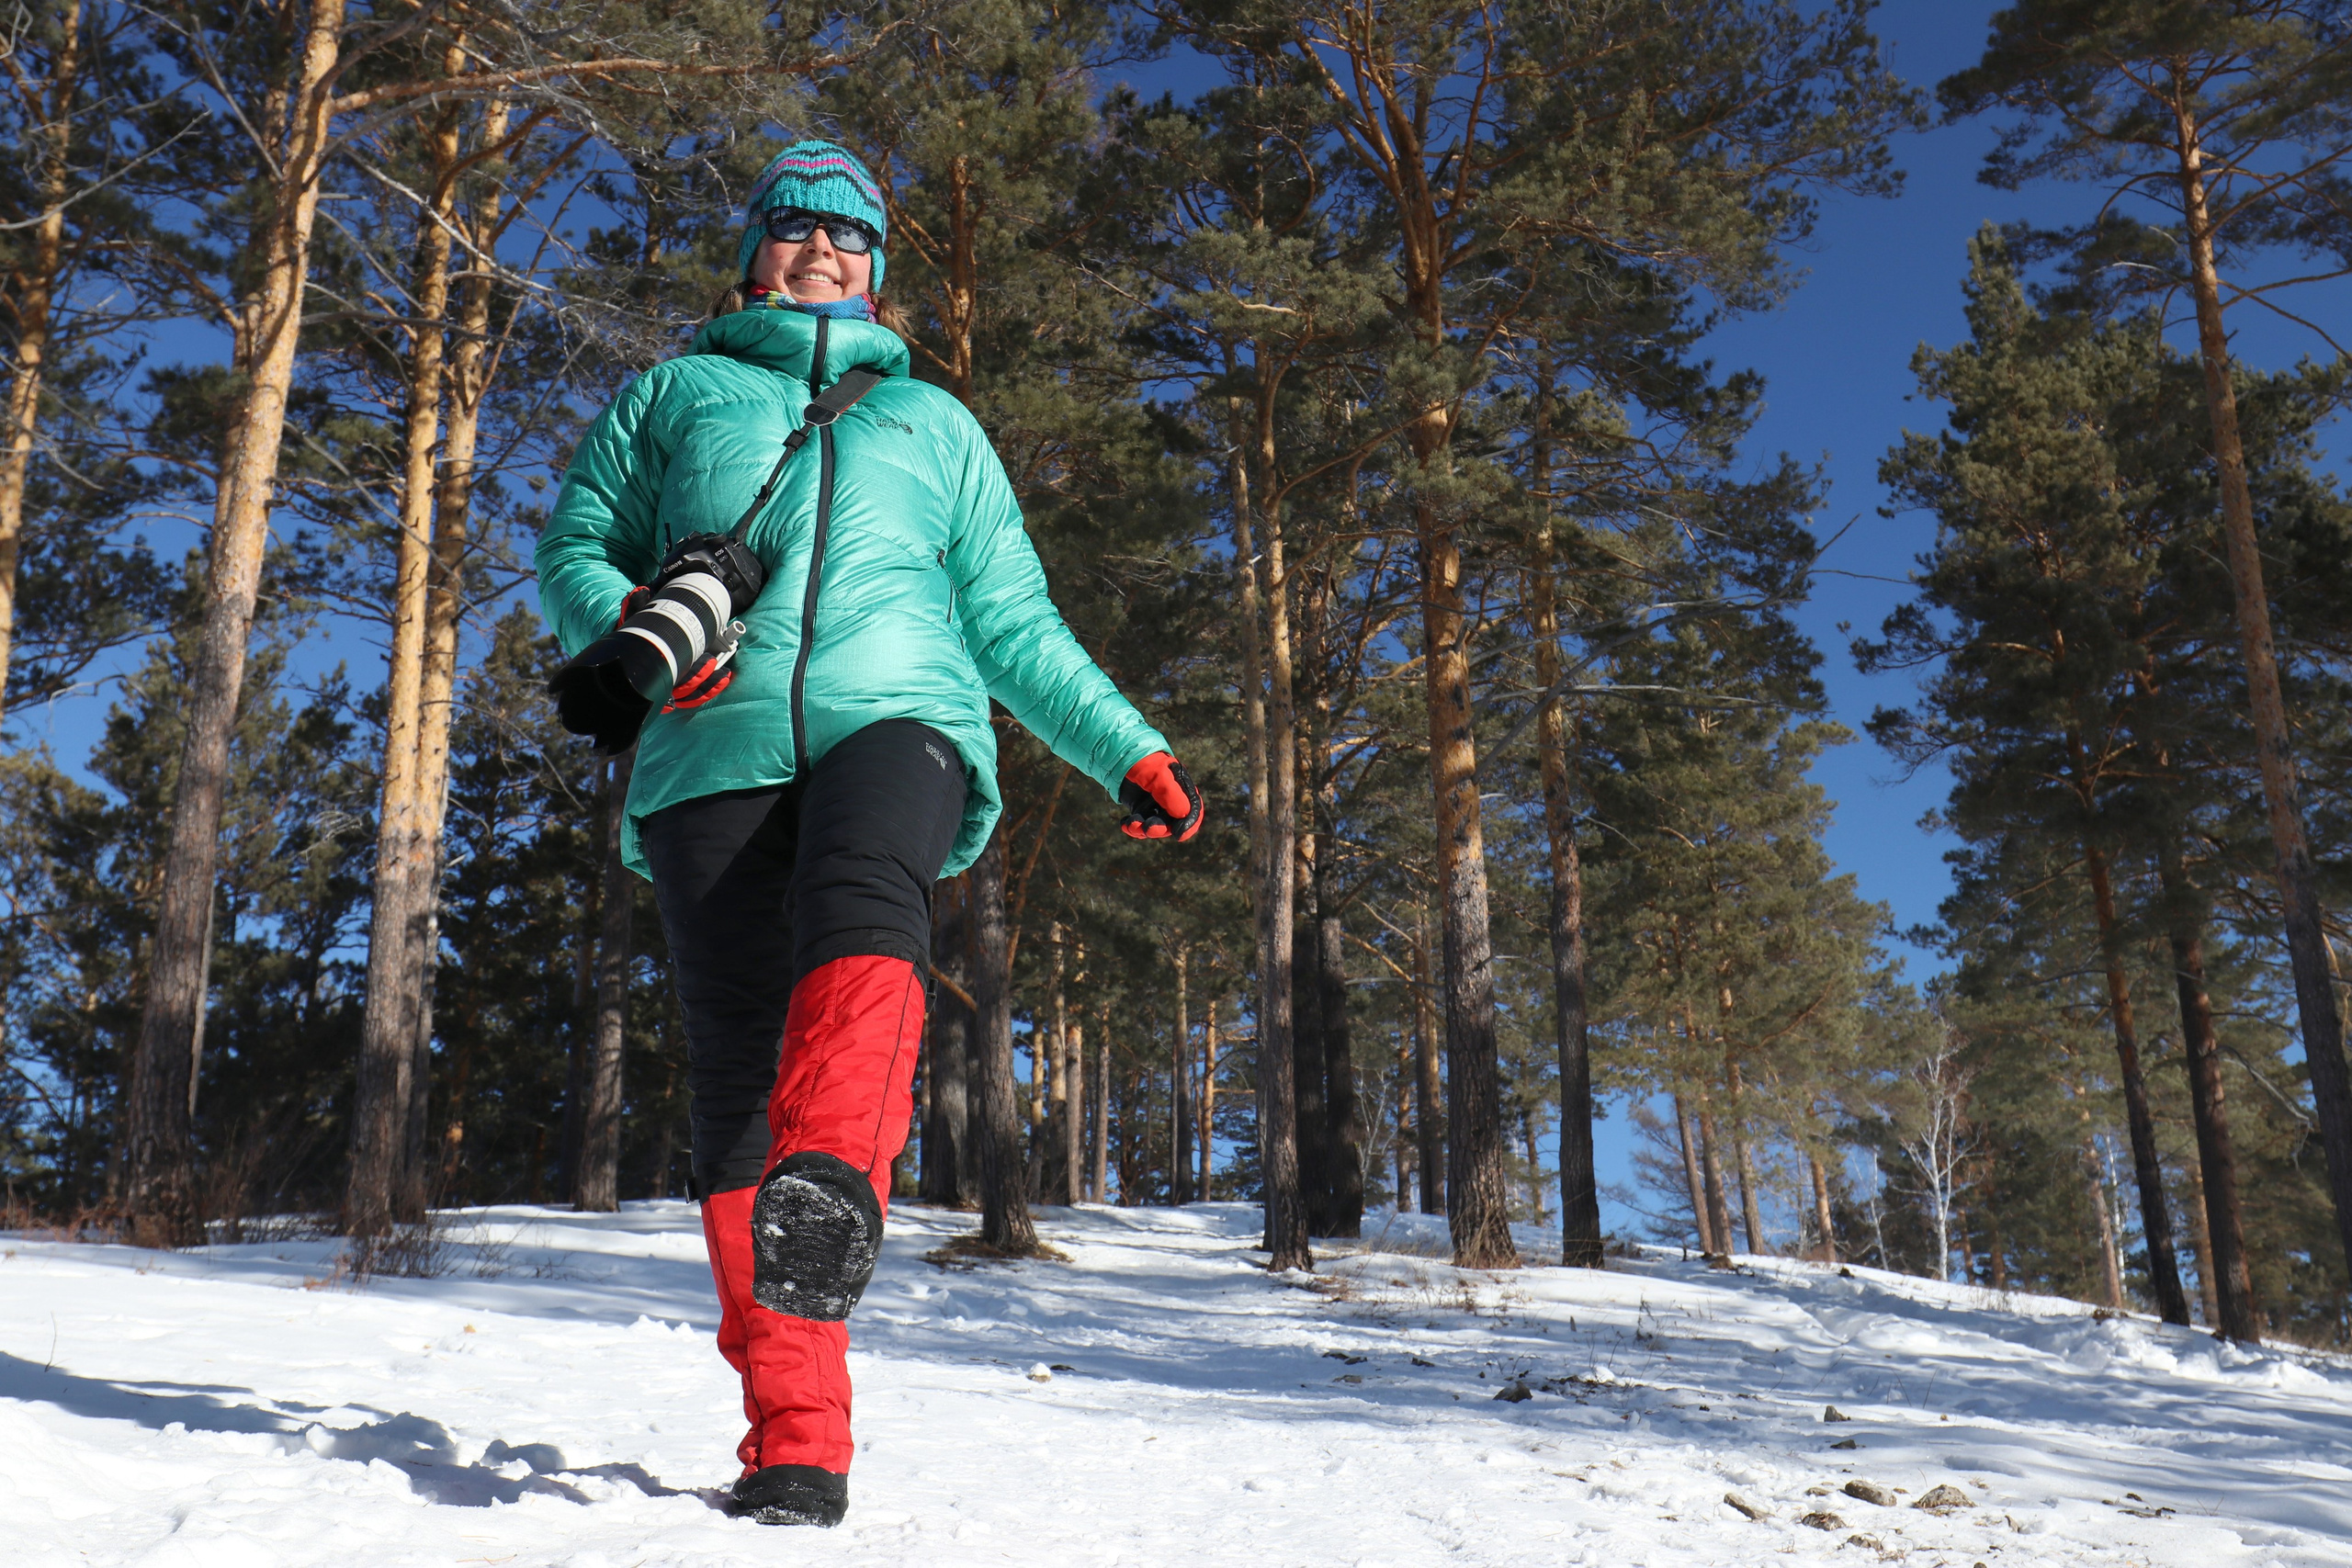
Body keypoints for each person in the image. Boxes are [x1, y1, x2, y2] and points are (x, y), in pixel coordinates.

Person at [535, 140, 1202, 1529]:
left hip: (899, 714)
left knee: (865, 905)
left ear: (879, 271)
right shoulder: (674, 394)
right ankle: (796, 1441)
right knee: (735, 1098)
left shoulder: (934, 424)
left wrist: (1124, 745)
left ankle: (837, 1169)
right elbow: (575, 546)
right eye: (795, 224)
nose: (823, 247)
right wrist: (633, 632)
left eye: (850, 232)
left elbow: (1011, 616)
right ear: (754, 252)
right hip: (708, 744)